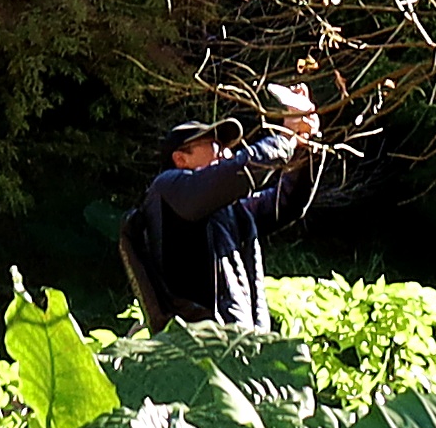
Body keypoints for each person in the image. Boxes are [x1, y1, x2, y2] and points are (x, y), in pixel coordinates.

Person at [119, 88, 329, 333]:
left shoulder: (231, 210)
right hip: (196, 347)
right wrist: (285, 136)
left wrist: (305, 146)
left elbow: (287, 203)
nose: (226, 152)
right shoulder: (167, 188)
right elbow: (236, 173)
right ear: (180, 158)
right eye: (213, 145)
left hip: (239, 347)